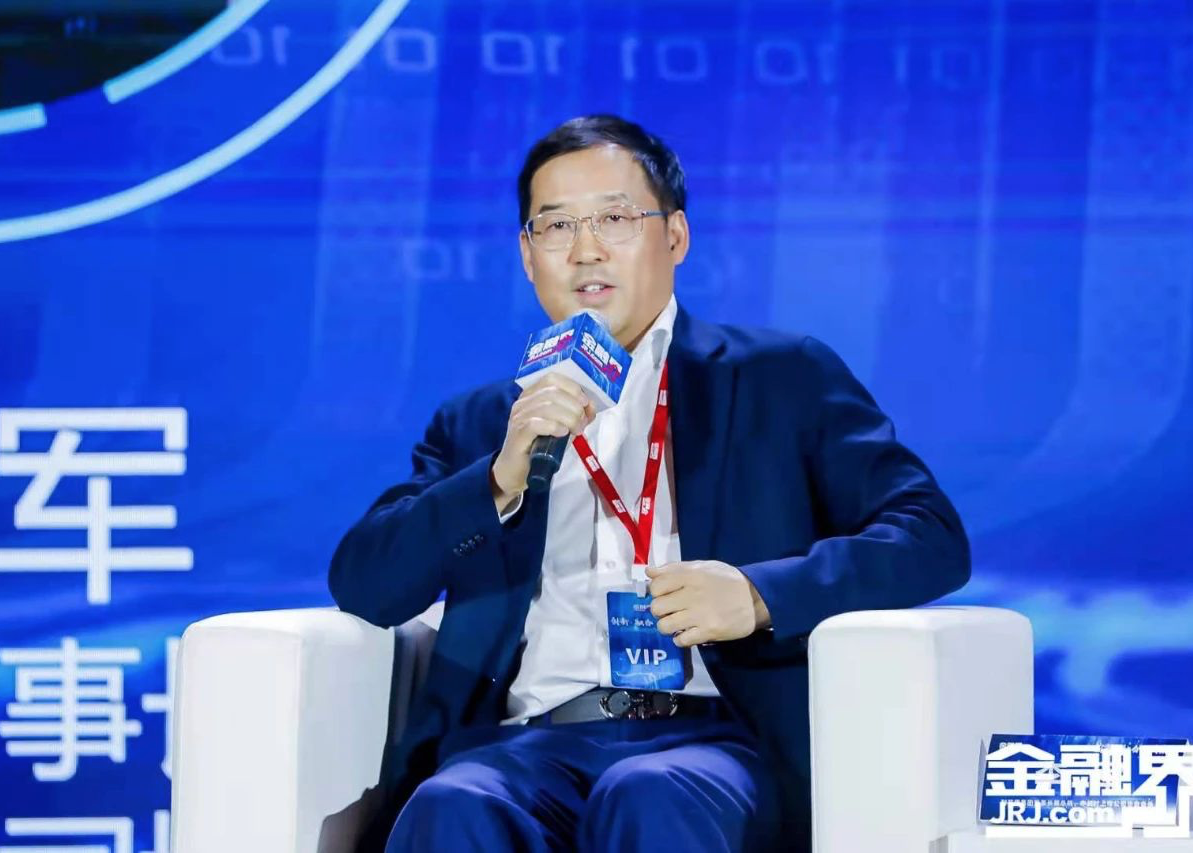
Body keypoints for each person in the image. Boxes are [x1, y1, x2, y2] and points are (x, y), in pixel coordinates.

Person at [329, 114, 970, 852]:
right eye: (556, 226)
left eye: (615, 218)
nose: (586, 249)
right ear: (528, 255)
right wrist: (499, 478)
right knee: (453, 802)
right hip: (528, 742)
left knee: (650, 792)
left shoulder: (779, 377)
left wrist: (758, 595)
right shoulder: (482, 424)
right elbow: (365, 584)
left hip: (714, 739)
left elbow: (929, 536)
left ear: (676, 237)